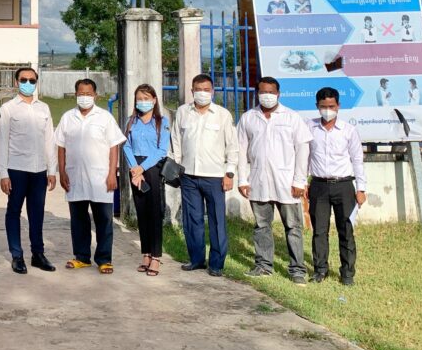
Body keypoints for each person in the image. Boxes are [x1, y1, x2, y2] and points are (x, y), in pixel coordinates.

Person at [238, 77, 312, 285]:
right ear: (257, 93)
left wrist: (299, 180)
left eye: (271, 92)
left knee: (293, 227)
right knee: (262, 225)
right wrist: (242, 179)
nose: (267, 96)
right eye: (263, 92)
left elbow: (303, 150)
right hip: (258, 180)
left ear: (278, 94)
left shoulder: (292, 117)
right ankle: (263, 266)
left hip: (287, 183)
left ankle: (297, 269)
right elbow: (240, 150)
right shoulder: (248, 118)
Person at [56, 78, 126, 275]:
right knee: (78, 220)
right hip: (75, 177)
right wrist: (62, 172)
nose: (84, 97)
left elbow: (114, 147)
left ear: (95, 95)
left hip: (100, 178)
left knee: (104, 220)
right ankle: (81, 257)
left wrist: (112, 173)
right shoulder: (68, 118)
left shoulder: (105, 117)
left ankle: (104, 259)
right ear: (75, 94)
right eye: (81, 93)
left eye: (88, 94)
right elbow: (60, 146)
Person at [171, 74, 237, 277]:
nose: (202, 93)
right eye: (198, 89)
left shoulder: (222, 115)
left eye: (206, 89)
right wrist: (176, 168)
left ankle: (216, 263)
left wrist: (229, 173)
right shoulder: (183, 112)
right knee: (192, 220)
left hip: (215, 176)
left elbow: (232, 146)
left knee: (217, 221)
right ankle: (196, 259)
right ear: (192, 91)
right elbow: (176, 142)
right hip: (188, 175)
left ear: (212, 91)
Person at [0, 67, 57, 275]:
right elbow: (2, 141)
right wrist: (4, 174)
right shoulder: (8, 109)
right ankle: (17, 255)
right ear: (17, 82)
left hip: (39, 170)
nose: (28, 84)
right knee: (14, 212)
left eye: (32, 80)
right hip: (17, 169)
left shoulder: (44, 108)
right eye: (24, 80)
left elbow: (49, 140)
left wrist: (52, 170)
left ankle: (38, 254)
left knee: (37, 213)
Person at [309, 88, 366, 286]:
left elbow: (357, 160)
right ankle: (320, 270)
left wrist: (361, 189)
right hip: (318, 186)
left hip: (344, 186)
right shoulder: (309, 128)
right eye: (323, 106)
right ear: (317, 106)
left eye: (331, 106)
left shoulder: (349, 131)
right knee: (319, 231)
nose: (328, 110)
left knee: (346, 230)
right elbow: (304, 156)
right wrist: (301, 182)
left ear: (338, 106)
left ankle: (347, 273)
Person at [122, 84, 169, 277]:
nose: (143, 102)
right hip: (135, 169)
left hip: (152, 168)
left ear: (154, 100)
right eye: (139, 99)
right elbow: (126, 146)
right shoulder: (131, 121)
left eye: (146, 98)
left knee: (154, 213)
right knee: (141, 213)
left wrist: (142, 168)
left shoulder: (161, 122)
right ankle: (146, 254)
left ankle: (156, 256)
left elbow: (162, 150)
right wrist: (135, 168)